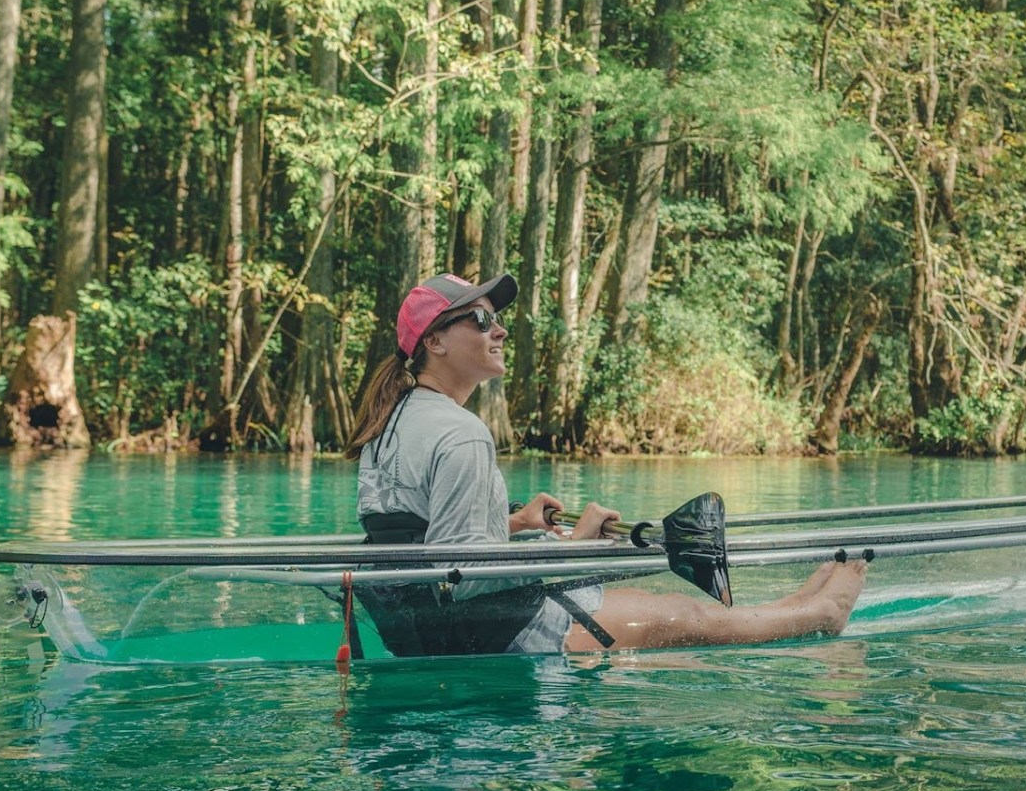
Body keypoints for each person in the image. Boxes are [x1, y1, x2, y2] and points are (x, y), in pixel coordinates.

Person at [344, 271, 865, 656]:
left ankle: (794, 606)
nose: (499, 330)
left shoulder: (391, 426)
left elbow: (421, 541)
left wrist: (515, 523)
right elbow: (465, 575)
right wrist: (576, 549)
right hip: (493, 632)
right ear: (434, 342)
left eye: (497, 318)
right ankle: (822, 614)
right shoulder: (463, 435)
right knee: (690, 617)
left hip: (425, 633)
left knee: (641, 602)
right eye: (481, 319)